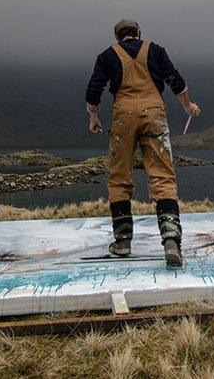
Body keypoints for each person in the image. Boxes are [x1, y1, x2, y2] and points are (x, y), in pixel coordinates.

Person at [85, 19, 200, 267]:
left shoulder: (107, 55)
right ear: (138, 33)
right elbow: (176, 81)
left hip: (123, 115)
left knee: (119, 176)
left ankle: (123, 241)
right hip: (154, 113)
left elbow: (94, 88)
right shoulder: (156, 50)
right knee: (162, 177)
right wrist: (188, 105)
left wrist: (93, 116)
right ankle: (171, 240)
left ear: (118, 38)